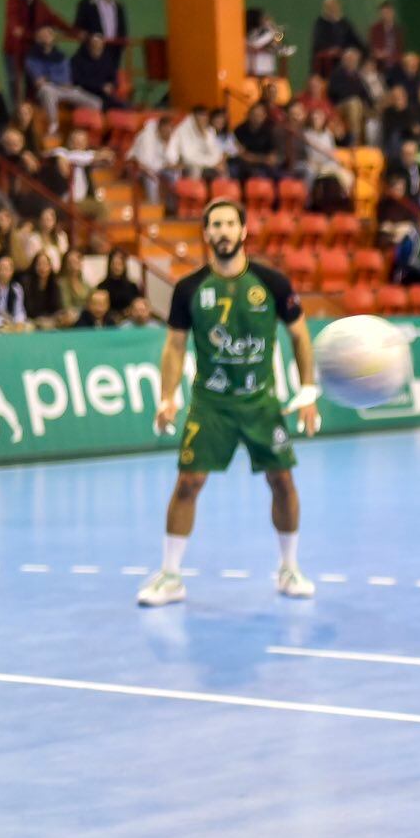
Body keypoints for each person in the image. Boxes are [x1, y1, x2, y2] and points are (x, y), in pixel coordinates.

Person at [137, 201, 320, 607]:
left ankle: (289, 568)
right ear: (205, 234)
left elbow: (300, 336)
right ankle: (170, 576)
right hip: (211, 404)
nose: (222, 231)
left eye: (229, 224)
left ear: (243, 232)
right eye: (214, 225)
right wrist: (167, 398)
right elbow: (174, 346)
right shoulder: (188, 289)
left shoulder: (272, 283)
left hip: (261, 402)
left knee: (283, 481)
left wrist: (308, 391)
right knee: (188, 482)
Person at [2, 0, 72, 106]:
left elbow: (53, 18)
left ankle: (31, 111)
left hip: (31, 51)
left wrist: (72, 31)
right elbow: (14, 24)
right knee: (14, 80)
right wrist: (32, 35)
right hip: (13, 50)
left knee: (31, 83)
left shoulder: (40, 2)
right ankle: (16, 112)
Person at [73, 0, 129, 90]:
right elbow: (78, 26)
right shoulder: (86, 3)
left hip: (114, 48)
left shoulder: (118, 5)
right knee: (93, 76)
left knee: (111, 77)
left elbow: (123, 27)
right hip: (93, 48)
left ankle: (111, 98)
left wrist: (122, 43)